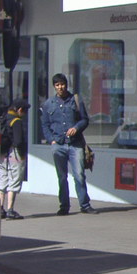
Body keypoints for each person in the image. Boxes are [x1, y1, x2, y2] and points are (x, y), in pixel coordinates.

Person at [40, 73, 97, 215]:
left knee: (79, 175)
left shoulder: (75, 100)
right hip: (58, 145)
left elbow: (85, 120)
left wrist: (76, 128)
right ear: (54, 87)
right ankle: (64, 206)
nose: (60, 87)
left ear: (66, 85)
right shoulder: (48, 104)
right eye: (57, 85)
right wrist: (51, 140)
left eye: (62, 84)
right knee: (62, 177)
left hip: (75, 144)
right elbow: (45, 125)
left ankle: (85, 205)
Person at [0, 99, 30, 220]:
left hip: (2, 153)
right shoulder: (16, 121)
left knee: (3, 180)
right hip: (14, 153)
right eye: (25, 111)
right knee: (14, 181)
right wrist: (22, 155)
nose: (25, 114)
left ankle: (0, 209)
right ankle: (10, 210)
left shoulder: (4, 118)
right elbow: (18, 141)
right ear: (20, 110)